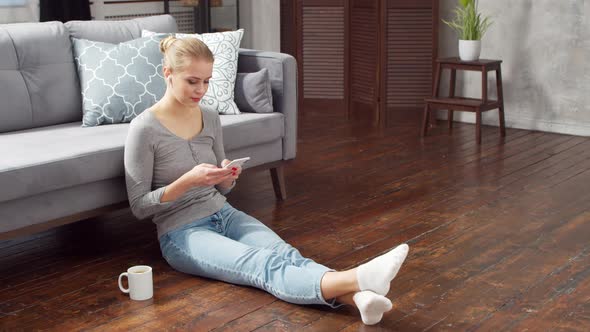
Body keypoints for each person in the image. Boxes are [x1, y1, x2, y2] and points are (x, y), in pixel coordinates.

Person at [124, 35, 409, 325]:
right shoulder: (144, 128)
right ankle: (359, 277)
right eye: (193, 81)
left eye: (207, 81)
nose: (202, 90)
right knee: (263, 264)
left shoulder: (209, 116)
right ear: (168, 73)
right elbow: (138, 207)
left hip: (222, 213)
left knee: (285, 254)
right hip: (182, 232)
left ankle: (360, 298)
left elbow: (223, 188)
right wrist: (187, 181)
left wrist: (227, 175)